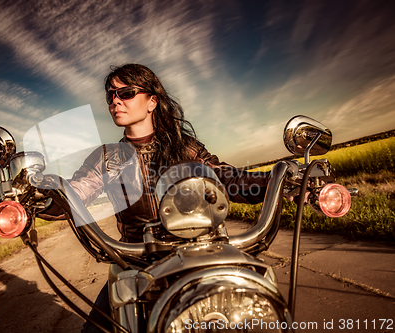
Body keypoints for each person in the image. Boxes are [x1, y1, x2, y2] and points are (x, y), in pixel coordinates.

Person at [43, 63, 269, 333]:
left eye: (126, 93)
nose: (115, 101)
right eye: (110, 96)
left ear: (152, 101)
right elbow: (79, 188)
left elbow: (227, 178)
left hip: (196, 253)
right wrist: (43, 197)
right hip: (137, 262)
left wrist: (282, 179)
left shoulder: (185, 146)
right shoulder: (107, 157)